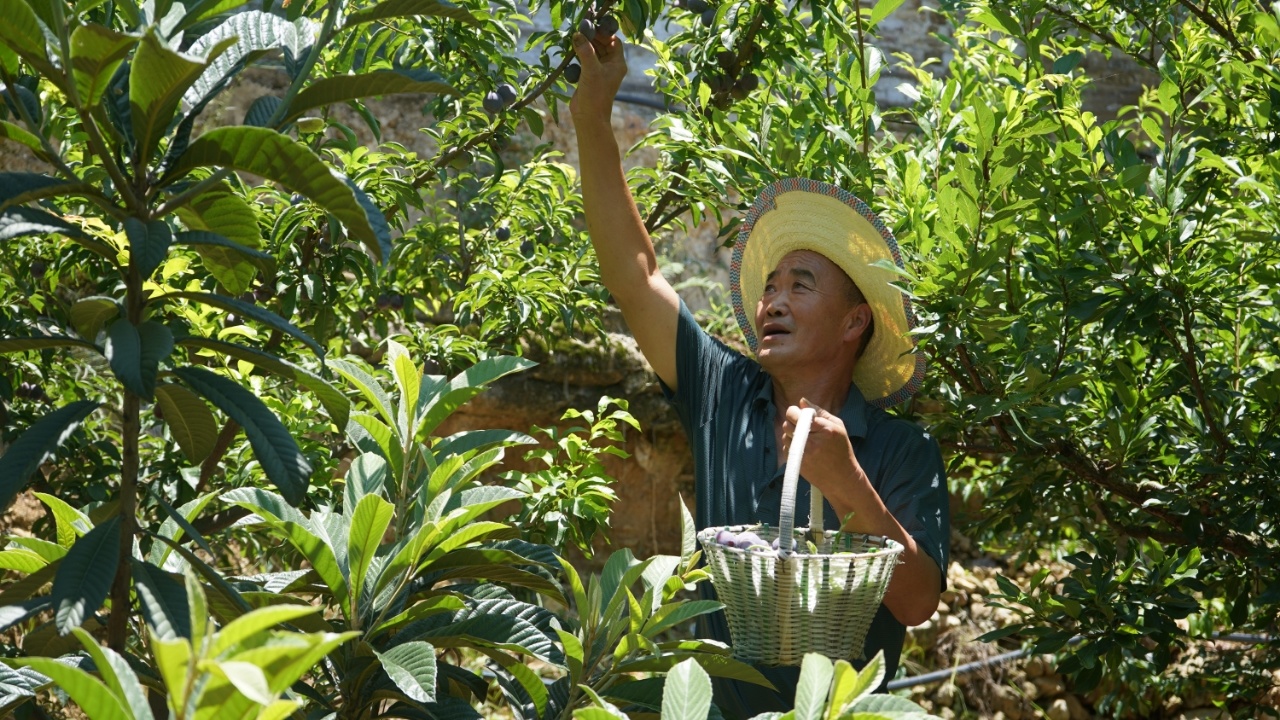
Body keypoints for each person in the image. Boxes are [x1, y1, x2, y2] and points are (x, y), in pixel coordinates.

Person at [569, 28, 950, 717]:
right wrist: (592, 117)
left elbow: (918, 601)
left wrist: (845, 481)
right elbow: (637, 277)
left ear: (853, 322)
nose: (771, 301)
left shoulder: (903, 450)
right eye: (769, 287)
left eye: (799, 285)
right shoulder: (723, 394)